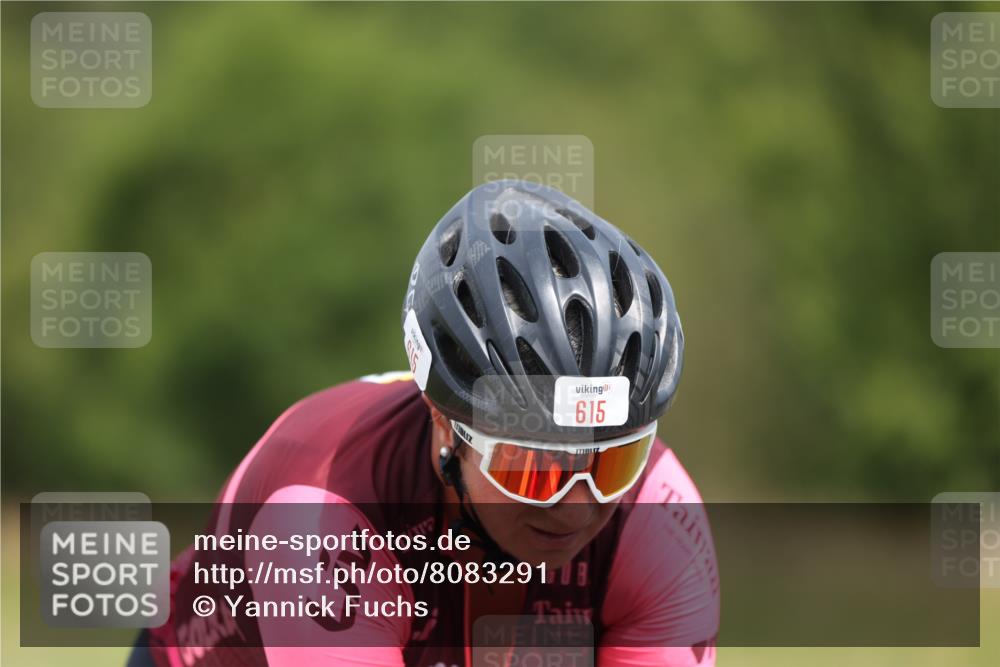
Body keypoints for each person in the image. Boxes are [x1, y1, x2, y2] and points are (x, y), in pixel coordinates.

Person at [138, 181, 719, 667]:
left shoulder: (659, 512)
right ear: (445, 425)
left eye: (610, 462)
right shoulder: (324, 508)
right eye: (532, 469)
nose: (574, 506)